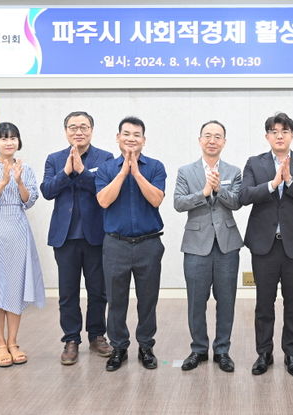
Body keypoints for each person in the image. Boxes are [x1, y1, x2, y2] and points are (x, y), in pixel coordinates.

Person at [239, 112, 293, 377]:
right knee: (264, 303)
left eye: (284, 131)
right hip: (264, 245)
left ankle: (291, 353)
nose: (279, 136)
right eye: (274, 131)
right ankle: (264, 353)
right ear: (267, 136)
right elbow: (244, 195)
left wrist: (290, 181)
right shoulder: (255, 163)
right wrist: (273, 184)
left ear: (292, 136)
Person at [40, 111, 114, 365]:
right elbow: (47, 191)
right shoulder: (54, 159)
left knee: (98, 291)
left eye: (84, 127)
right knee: (67, 292)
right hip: (65, 237)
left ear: (91, 130)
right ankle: (71, 339)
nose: (78, 132)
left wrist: (82, 172)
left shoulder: (105, 158)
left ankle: (97, 336)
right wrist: (66, 172)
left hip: (95, 235)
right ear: (66, 131)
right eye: (73, 127)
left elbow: (105, 190)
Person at [0, 122, 45, 367]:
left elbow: (29, 201)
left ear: (18, 141)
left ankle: (13, 342)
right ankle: (0, 345)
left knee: (14, 287)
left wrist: (19, 181)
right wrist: (3, 182)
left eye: (13, 137)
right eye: (3, 138)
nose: (9, 142)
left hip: (18, 230)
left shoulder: (26, 168)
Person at [95, 116, 166, 372]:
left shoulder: (155, 167)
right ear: (118, 138)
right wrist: (123, 172)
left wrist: (136, 173)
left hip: (149, 244)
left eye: (137, 135)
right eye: (126, 134)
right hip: (116, 245)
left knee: (148, 299)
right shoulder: (105, 169)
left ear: (144, 140)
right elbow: (104, 200)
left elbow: (156, 199)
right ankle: (119, 347)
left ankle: (146, 346)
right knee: (116, 300)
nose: (131, 139)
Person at [174, 120, 243, 373]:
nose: (212, 140)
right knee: (196, 300)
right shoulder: (186, 171)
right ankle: (199, 349)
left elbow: (237, 202)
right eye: (208, 136)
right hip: (195, 245)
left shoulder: (234, 171)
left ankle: (222, 350)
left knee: (226, 300)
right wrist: (204, 192)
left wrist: (218, 190)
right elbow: (179, 203)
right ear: (200, 139)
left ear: (224, 141)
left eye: (217, 136)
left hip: (227, 245)